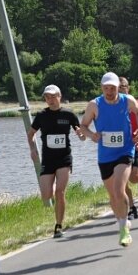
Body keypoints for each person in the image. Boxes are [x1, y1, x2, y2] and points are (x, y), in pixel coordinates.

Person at [79, 72, 138, 247]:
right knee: (112, 196)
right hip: (105, 155)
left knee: (118, 189)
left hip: (125, 150)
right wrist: (91, 135)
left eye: (113, 88)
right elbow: (83, 125)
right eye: (106, 88)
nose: (109, 91)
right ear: (102, 88)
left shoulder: (127, 100)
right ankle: (122, 220)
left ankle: (124, 230)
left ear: (118, 87)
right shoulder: (95, 105)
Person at [27, 84, 81, 239]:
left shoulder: (69, 114)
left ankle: (58, 225)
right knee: (46, 195)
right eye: (47, 97)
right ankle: (55, 186)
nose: (50, 100)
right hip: (48, 159)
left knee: (60, 192)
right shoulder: (41, 115)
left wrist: (81, 134)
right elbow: (30, 134)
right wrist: (33, 149)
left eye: (53, 96)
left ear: (59, 96)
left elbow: (81, 133)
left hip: (64, 158)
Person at [119, 77, 138, 220]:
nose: (121, 89)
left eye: (123, 86)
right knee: (122, 180)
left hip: (135, 145)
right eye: (118, 87)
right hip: (118, 148)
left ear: (128, 88)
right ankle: (132, 208)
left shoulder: (135, 105)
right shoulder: (111, 106)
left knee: (134, 177)